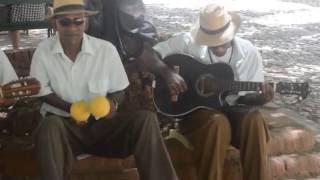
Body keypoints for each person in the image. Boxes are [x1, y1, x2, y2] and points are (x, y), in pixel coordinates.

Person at [29, 0, 178, 180]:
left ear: (87, 22)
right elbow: (40, 91)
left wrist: (112, 103)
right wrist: (71, 109)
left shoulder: (106, 50)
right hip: (65, 129)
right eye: (65, 22)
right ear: (55, 23)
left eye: (78, 21)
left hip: (103, 128)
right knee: (49, 125)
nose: (72, 28)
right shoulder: (43, 51)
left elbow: (119, 90)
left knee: (146, 120)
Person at [152, 4, 273, 180]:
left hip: (234, 114)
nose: (217, 44)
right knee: (217, 122)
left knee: (254, 118)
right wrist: (168, 74)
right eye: (211, 39)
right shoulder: (187, 42)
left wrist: (260, 98)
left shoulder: (248, 53)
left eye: (221, 38)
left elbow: (246, 100)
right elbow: (152, 53)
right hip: (197, 116)